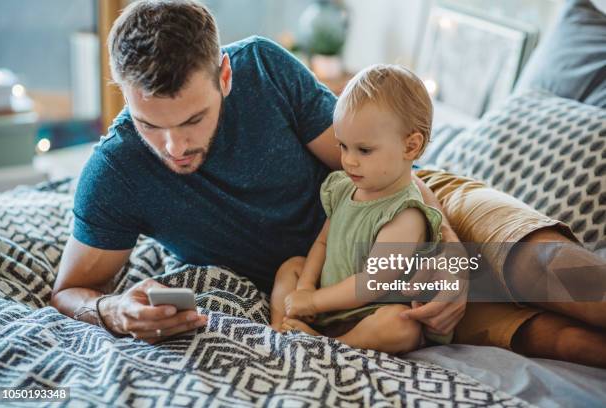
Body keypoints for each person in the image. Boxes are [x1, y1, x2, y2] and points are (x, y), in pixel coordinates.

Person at [50, 0, 606, 367]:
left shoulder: (264, 68)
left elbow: (368, 161)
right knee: (553, 340)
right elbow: (70, 289)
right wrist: (112, 311)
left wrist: (450, 254)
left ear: (224, 75)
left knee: (551, 273)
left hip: (411, 199)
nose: (174, 147)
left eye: (193, 120)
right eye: (151, 124)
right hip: (340, 279)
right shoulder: (115, 172)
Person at [270, 65, 452, 354]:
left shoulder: (406, 215)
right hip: (324, 305)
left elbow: (371, 284)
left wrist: (315, 301)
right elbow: (322, 242)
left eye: (364, 150)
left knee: (401, 326)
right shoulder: (344, 189)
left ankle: (334, 346)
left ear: (410, 147)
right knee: (290, 266)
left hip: (368, 313)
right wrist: (305, 287)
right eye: (343, 146)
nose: (349, 161)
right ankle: (283, 328)